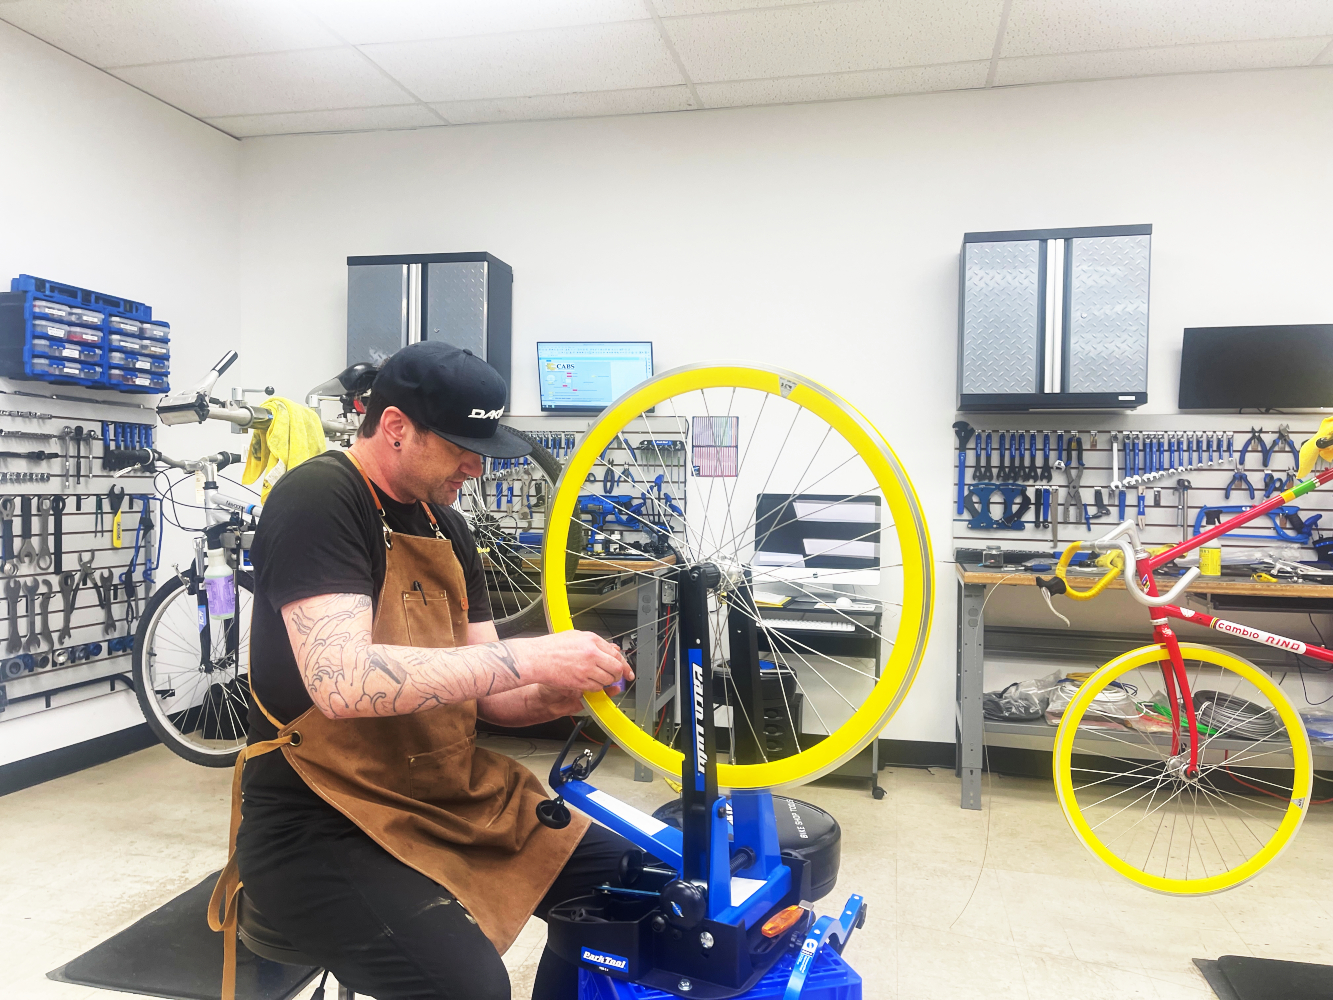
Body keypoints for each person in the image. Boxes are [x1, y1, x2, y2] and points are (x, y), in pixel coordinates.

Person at [226, 342, 639, 1000]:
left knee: (637, 893)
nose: (475, 467)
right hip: (321, 819)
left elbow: (491, 699)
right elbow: (340, 681)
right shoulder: (319, 498)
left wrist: (566, 693)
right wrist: (532, 652)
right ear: (395, 428)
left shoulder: (445, 526)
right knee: (467, 990)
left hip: (445, 795)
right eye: (459, 446)